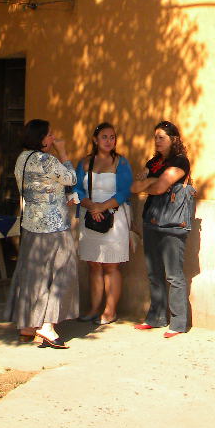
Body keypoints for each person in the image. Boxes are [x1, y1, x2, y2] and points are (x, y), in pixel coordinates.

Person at [4, 119, 78, 348]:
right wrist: (64, 152)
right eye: (49, 135)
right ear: (40, 138)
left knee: (33, 275)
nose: (52, 138)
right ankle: (47, 325)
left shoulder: (21, 159)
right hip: (54, 226)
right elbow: (71, 179)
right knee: (60, 274)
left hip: (31, 224)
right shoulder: (47, 160)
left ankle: (27, 325)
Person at [131, 120, 192, 337]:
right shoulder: (154, 162)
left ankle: (178, 323)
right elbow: (134, 186)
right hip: (151, 220)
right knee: (153, 273)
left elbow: (158, 187)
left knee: (174, 275)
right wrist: (152, 181)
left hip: (173, 224)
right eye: (155, 137)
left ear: (173, 139)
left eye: (162, 137)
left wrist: (149, 181)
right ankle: (156, 317)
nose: (157, 141)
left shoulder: (181, 161)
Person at [73, 122, 133, 325]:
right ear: (95, 140)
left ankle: (110, 311)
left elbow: (125, 191)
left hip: (114, 217)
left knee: (111, 265)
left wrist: (103, 206)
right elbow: (77, 190)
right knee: (94, 265)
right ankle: (93, 308)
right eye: (105, 137)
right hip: (89, 216)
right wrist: (91, 206)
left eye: (113, 137)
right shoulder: (85, 162)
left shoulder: (121, 163)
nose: (109, 141)